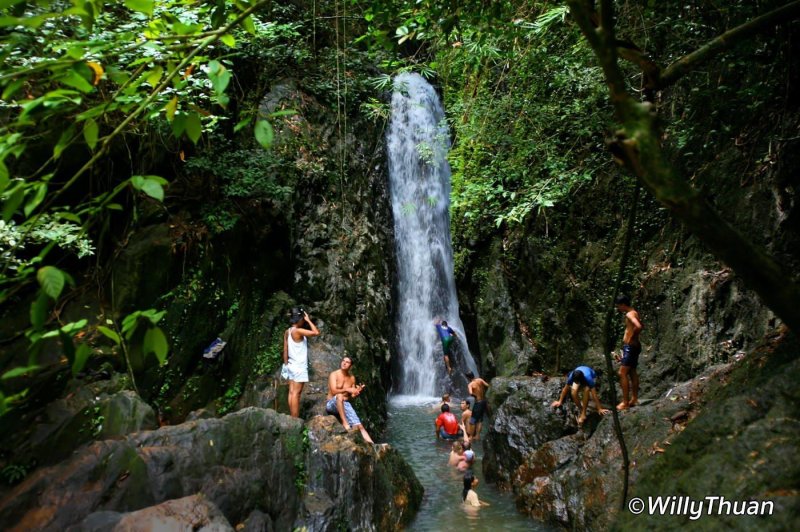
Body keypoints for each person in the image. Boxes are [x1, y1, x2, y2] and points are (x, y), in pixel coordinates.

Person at [325, 356, 373, 443]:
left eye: (347, 362)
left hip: (344, 404)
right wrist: (347, 389)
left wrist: (356, 392)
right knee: (339, 396)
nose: (344, 363)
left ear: (351, 366)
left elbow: (351, 396)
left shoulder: (352, 378)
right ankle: (345, 423)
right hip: (331, 403)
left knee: (359, 426)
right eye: (343, 361)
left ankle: (373, 445)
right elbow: (333, 391)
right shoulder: (334, 374)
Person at [283, 307, 319, 418]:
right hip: (299, 367)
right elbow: (316, 332)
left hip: (291, 365)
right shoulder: (298, 331)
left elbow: (285, 349)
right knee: (296, 394)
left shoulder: (287, 331)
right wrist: (308, 320)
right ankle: (295, 420)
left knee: (291, 392)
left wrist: (286, 364)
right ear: (299, 319)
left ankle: (292, 417)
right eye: (302, 318)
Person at [614, 294, 643, 411]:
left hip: (630, 347)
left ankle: (625, 402)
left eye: (618, 306)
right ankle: (634, 399)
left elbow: (638, 326)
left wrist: (631, 338)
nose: (618, 308)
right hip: (633, 347)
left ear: (623, 305)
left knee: (622, 373)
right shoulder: (634, 312)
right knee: (632, 372)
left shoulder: (629, 314)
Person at [466, 371, 490, 440]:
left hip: (478, 403)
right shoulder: (480, 380)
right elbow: (487, 385)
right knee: (480, 420)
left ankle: (471, 436)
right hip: (484, 402)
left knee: (472, 420)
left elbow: (470, 393)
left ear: (468, 378)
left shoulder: (470, 384)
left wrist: (475, 396)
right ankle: (477, 435)